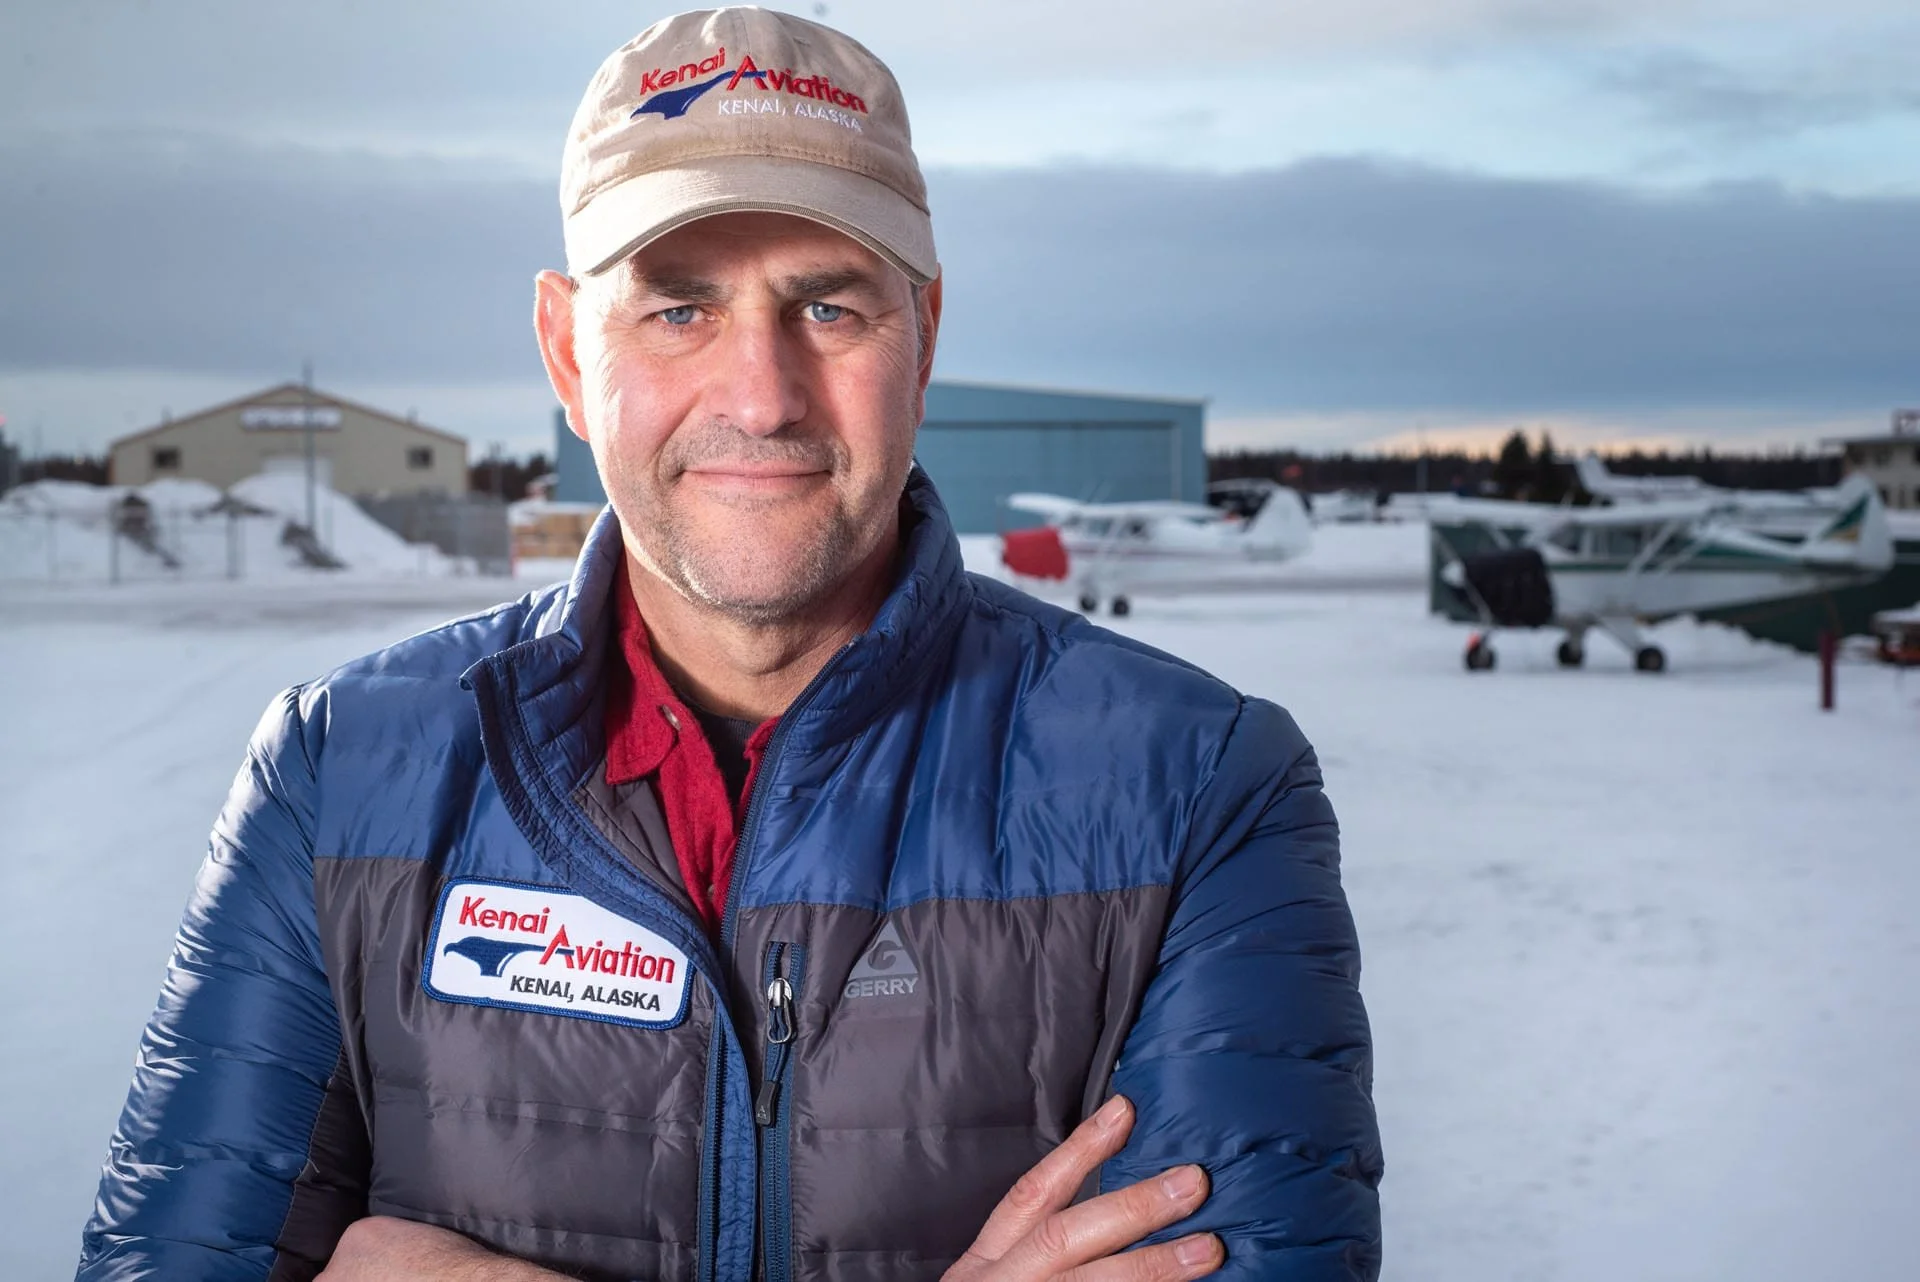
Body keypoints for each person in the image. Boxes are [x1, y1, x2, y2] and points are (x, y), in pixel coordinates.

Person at [77, 9, 1382, 1281]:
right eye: (677, 309)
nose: (761, 397)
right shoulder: (339, 774)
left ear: (925, 340)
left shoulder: (1201, 787)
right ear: (566, 354)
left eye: (828, 309)